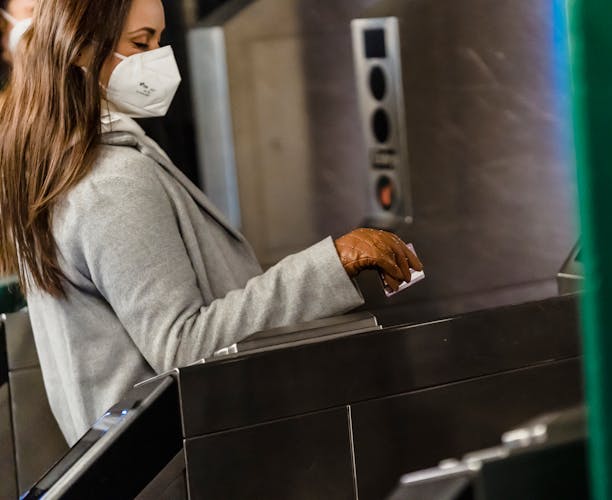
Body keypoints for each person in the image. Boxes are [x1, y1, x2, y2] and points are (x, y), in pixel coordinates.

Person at [0, 0, 423, 445]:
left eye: (160, 40)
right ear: (82, 50)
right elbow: (183, 345)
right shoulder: (111, 181)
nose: (159, 57)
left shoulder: (59, 164)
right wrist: (333, 261)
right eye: (141, 42)